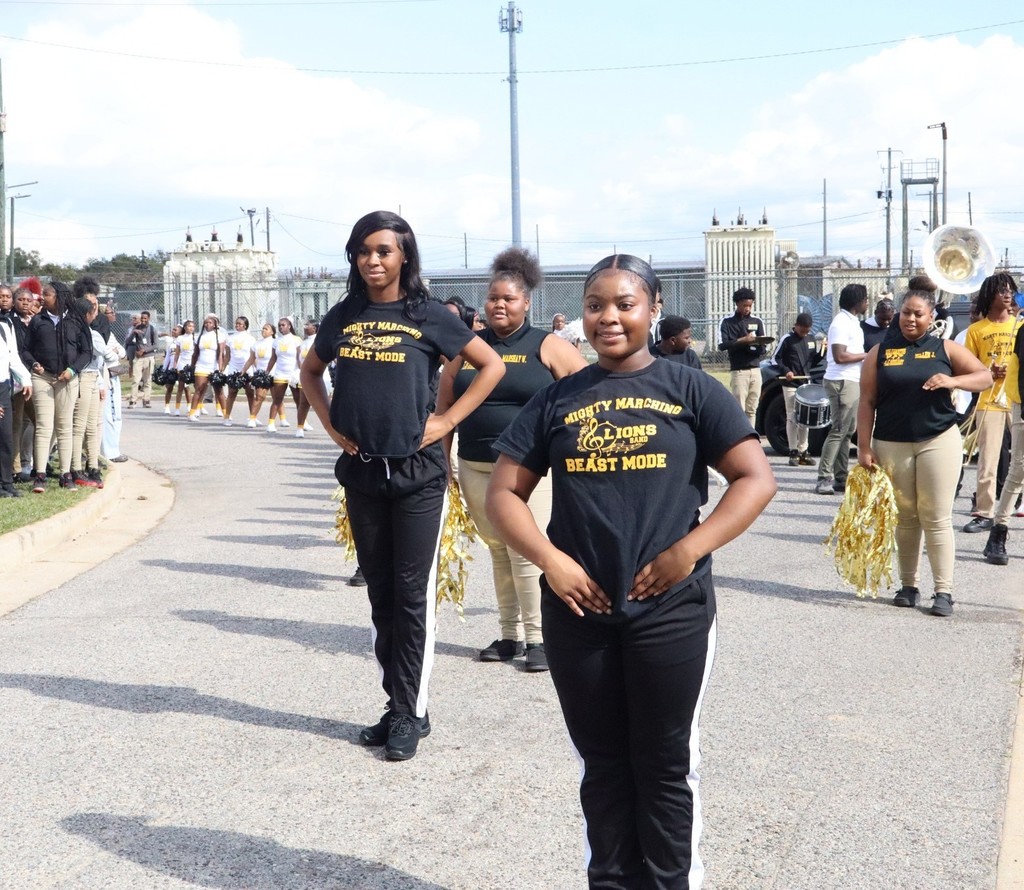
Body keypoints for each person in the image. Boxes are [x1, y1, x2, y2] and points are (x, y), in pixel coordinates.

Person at [486, 254, 777, 888]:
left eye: (625, 303)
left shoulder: (690, 389)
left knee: (666, 763)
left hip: (671, 610)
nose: (609, 316)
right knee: (604, 765)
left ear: (651, 309)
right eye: (596, 305)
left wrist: (689, 550)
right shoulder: (558, 398)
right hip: (579, 612)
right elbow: (503, 494)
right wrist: (552, 561)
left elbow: (755, 479)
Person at [299, 210, 505, 762]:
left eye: (385, 250)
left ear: (404, 256)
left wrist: (445, 422)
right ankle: (401, 702)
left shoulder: (429, 314)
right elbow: (310, 371)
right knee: (381, 596)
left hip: (418, 478)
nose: (374, 260)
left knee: (412, 598)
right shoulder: (343, 315)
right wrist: (328, 421)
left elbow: (490, 367)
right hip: (363, 472)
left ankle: (408, 710)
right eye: (364, 250)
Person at [438, 247, 587, 672]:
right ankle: (510, 635)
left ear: (526, 302)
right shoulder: (467, 347)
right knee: (498, 550)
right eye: (493, 298)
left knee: (527, 552)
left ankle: (539, 640)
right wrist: (444, 466)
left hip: (528, 471)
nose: (499, 305)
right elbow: (443, 410)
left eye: (509, 298)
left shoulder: (548, 345)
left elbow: (586, 397)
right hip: (475, 465)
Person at [857, 281, 991, 616]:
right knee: (905, 517)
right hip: (891, 442)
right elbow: (866, 401)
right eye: (906, 313)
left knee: (936, 516)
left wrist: (952, 381)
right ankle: (908, 585)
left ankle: (943, 592)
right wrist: (863, 447)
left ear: (931, 316)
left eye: (918, 314)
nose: (910, 319)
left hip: (938, 441)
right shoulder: (881, 351)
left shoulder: (944, 348)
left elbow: (984, 377)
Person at [962, 272, 1022, 533]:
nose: (1007, 294)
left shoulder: (1020, 326)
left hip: (1018, 399)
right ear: (989, 295)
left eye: (1010, 289)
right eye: (1001, 290)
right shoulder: (977, 330)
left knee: (1020, 458)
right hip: (990, 400)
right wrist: (988, 372)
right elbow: (968, 368)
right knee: (988, 459)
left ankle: (1011, 507)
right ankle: (985, 512)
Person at [23, 281, 93, 491]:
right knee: (44, 427)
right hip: (43, 378)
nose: (42, 297)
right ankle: (40, 475)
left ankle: (66, 474)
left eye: (47, 294)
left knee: (64, 427)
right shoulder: (38, 321)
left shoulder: (75, 321)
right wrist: (34, 364)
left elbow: (87, 352)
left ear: (60, 297)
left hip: (68, 379)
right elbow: (25, 350)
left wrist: (72, 370)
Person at [816, 283, 869, 495]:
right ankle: (823, 477)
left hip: (852, 380)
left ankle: (840, 476)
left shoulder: (853, 322)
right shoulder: (840, 323)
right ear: (857, 301)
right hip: (841, 381)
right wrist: (868, 354)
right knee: (838, 430)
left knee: (848, 432)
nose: (867, 303)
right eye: (865, 299)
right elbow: (839, 356)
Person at [775, 312, 819, 467]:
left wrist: (822, 352)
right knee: (792, 416)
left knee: (805, 418)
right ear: (797, 325)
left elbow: (813, 360)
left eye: (807, 330)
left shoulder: (811, 339)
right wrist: (786, 370)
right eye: (802, 330)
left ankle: (803, 450)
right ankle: (793, 451)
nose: (805, 333)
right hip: (791, 384)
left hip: (805, 383)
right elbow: (776, 358)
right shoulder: (787, 339)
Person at [718, 286, 767, 426]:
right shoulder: (727, 322)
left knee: (752, 409)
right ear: (737, 303)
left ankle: (751, 437)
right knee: (739, 409)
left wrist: (755, 346)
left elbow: (764, 346)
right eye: (745, 305)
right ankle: (739, 439)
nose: (748, 308)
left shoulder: (757, 321)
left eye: (750, 305)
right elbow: (722, 345)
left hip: (755, 370)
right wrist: (743, 341)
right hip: (739, 371)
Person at [0, 288, 32, 498]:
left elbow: (13, 355)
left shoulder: (7, 323)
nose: (4, 299)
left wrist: (26, 379)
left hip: (3, 386)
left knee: (6, 436)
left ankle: (6, 482)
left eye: (6, 296)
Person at [186, 314, 227, 422]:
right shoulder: (199, 336)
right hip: (201, 366)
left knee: (219, 391)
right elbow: (195, 354)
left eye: (210, 323)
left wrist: (220, 368)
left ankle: (226, 414)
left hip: (213, 366)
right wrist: (192, 367)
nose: (207, 324)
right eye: (206, 323)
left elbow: (220, 354)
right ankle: (192, 413)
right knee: (199, 389)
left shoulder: (220, 336)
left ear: (214, 325)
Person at [265, 317, 302, 432]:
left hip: (293, 374)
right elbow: (273, 358)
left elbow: (299, 358)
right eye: (280, 325)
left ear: (289, 326)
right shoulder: (276, 341)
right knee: (277, 399)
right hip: (280, 373)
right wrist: (266, 372)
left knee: (298, 400)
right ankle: (271, 424)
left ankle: (302, 423)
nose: (281, 327)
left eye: (283, 325)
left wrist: (302, 372)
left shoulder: (296, 339)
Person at [241, 322, 277, 428]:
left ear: (272, 332)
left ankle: (281, 419)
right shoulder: (256, 344)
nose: (263, 331)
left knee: (277, 398)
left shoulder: (275, 343)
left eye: (266, 329)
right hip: (261, 375)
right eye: (263, 329)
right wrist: (244, 370)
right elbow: (251, 359)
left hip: (274, 373)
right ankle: (252, 418)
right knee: (259, 397)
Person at [223, 316, 256, 426]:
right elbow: (227, 356)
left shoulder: (251, 339)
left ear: (245, 325)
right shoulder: (230, 338)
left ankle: (252, 417)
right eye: (236, 323)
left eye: (240, 324)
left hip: (247, 369)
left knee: (250, 393)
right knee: (232, 393)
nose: (237, 325)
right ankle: (226, 417)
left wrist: (255, 369)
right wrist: (222, 369)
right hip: (233, 368)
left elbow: (253, 356)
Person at [126, 310, 158, 408]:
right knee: (136, 379)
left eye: (145, 318)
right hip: (138, 358)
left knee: (147, 380)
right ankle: (133, 400)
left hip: (148, 357)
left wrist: (144, 350)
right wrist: (133, 332)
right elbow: (127, 341)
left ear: (148, 319)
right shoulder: (137, 328)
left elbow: (156, 345)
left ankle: (146, 399)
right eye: (142, 318)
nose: (143, 320)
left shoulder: (152, 329)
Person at [171, 320, 196, 416]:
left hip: (192, 364)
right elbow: (177, 354)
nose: (191, 328)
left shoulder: (195, 338)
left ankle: (192, 407)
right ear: (185, 328)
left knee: (194, 387)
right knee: (181, 387)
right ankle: (177, 408)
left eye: (193, 326)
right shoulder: (180, 338)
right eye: (189, 326)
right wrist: (175, 365)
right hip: (182, 364)